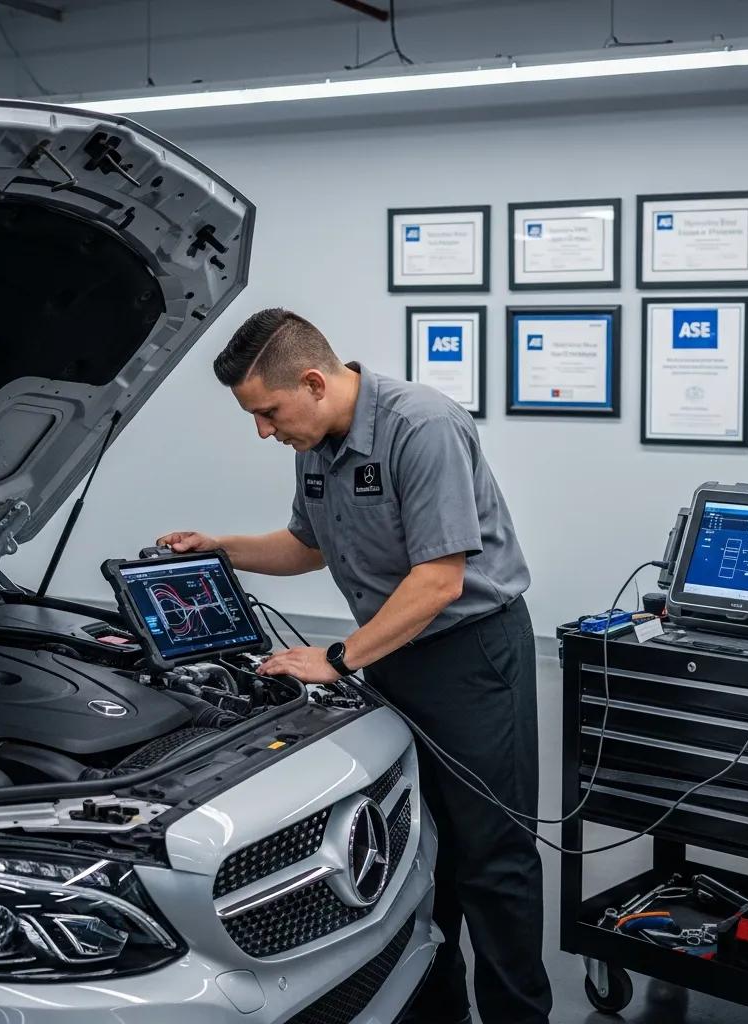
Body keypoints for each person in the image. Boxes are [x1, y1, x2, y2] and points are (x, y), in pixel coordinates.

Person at [157, 308, 552, 1024]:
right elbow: (310, 544)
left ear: (312, 381)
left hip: (471, 658)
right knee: (420, 847)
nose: (264, 431)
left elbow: (440, 580)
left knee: (492, 859)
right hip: (392, 653)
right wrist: (222, 548)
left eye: (268, 413)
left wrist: (337, 658)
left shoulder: (421, 426)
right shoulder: (316, 441)